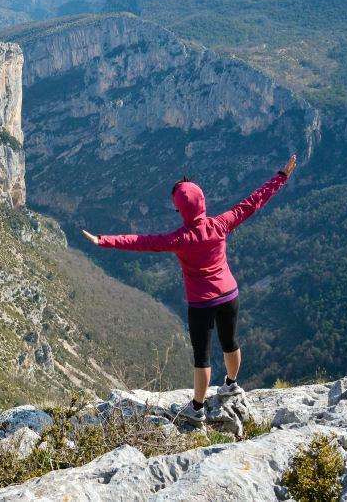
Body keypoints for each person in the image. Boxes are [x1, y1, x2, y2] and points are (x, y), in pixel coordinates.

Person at [81, 155, 297, 425]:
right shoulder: (221, 224)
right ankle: (231, 384)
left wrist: (103, 241)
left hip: (201, 304)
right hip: (229, 295)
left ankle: (197, 409)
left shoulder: (179, 239)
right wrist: (281, 176)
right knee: (230, 342)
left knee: (202, 357)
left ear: (180, 210)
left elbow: (140, 242)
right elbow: (253, 202)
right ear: (203, 202)